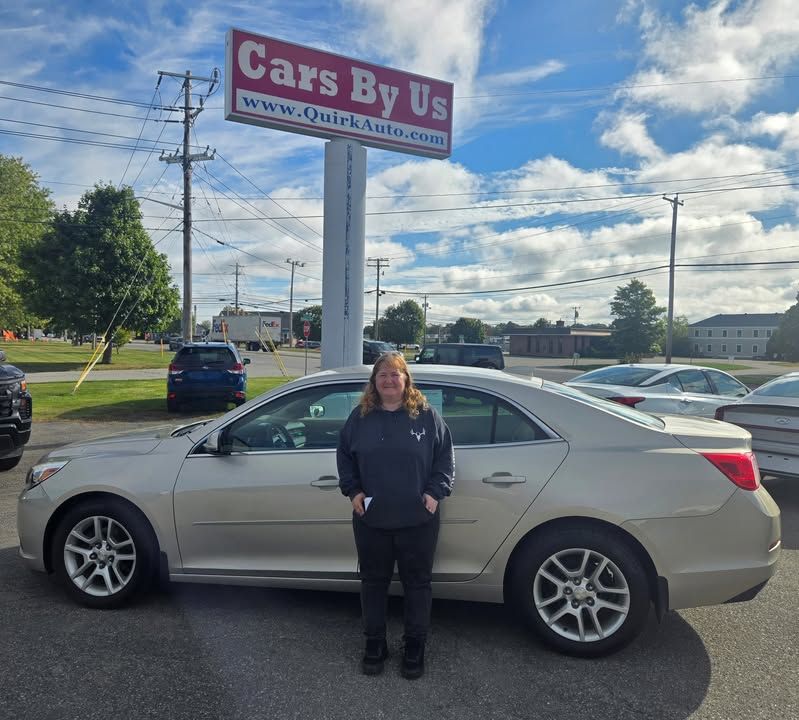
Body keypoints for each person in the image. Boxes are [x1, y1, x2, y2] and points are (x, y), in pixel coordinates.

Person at [337, 351, 454, 679]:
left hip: (418, 520)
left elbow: (445, 457)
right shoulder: (360, 417)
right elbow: (344, 456)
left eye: (395, 374)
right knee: (373, 583)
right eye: (382, 375)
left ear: (406, 380)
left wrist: (434, 494)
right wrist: (353, 491)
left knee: (417, 584)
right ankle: (375, 643)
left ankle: (415, 645)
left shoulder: (426, 416)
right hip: (372, 518)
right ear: (374, 382)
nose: (389, 380)